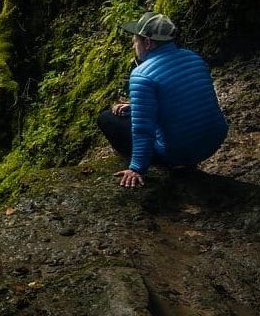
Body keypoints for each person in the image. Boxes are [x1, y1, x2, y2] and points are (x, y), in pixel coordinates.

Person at [97, 12, 228, 188]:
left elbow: (143, 130)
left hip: (179, 153)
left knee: (107, 119)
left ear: (148, 43)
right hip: (213, 140)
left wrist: (137, 168)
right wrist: (135, 106)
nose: (133, 45)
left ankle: (172, 165)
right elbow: (181, 98)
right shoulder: (193, 58)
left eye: (136, 40)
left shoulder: (142, 74)